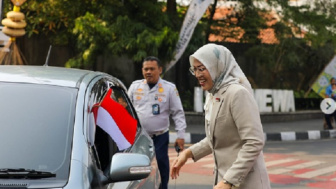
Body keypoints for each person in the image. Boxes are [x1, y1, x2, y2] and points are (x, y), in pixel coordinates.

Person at [170, 44, 271, 189]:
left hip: (247, 182)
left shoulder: (237, 93)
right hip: (224, 181)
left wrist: (228, 181)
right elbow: (216, 137)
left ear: (216, 66)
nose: (198, 75)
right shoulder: (213, 94)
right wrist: (188, 153)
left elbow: (254, 142)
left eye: (202, 69)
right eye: (195, 69)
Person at [128, 56, 187, 189]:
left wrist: (181, 136)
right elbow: (127, 111)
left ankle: (163, 187)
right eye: (146, 69)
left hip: (160, 136)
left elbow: (178, 113)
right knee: (139, 166)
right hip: (139, 137)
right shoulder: (134, 87)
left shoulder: (169, 89)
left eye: (152, 69)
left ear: (160, 70)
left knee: (161, 164)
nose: (148, 72)